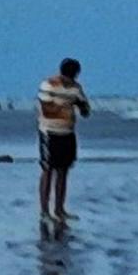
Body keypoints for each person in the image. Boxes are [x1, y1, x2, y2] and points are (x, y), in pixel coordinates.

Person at [34, 55, 87, 226]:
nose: (71, 79)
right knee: (48, 170)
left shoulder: (76, 88)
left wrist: (80, 105)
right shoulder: (48, 84)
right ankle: (44, 211)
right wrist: (67, 106)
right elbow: (47, 109)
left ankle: (59, 209)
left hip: (67, 133)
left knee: (63, 171)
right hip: (49, 132)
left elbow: (85, 109)